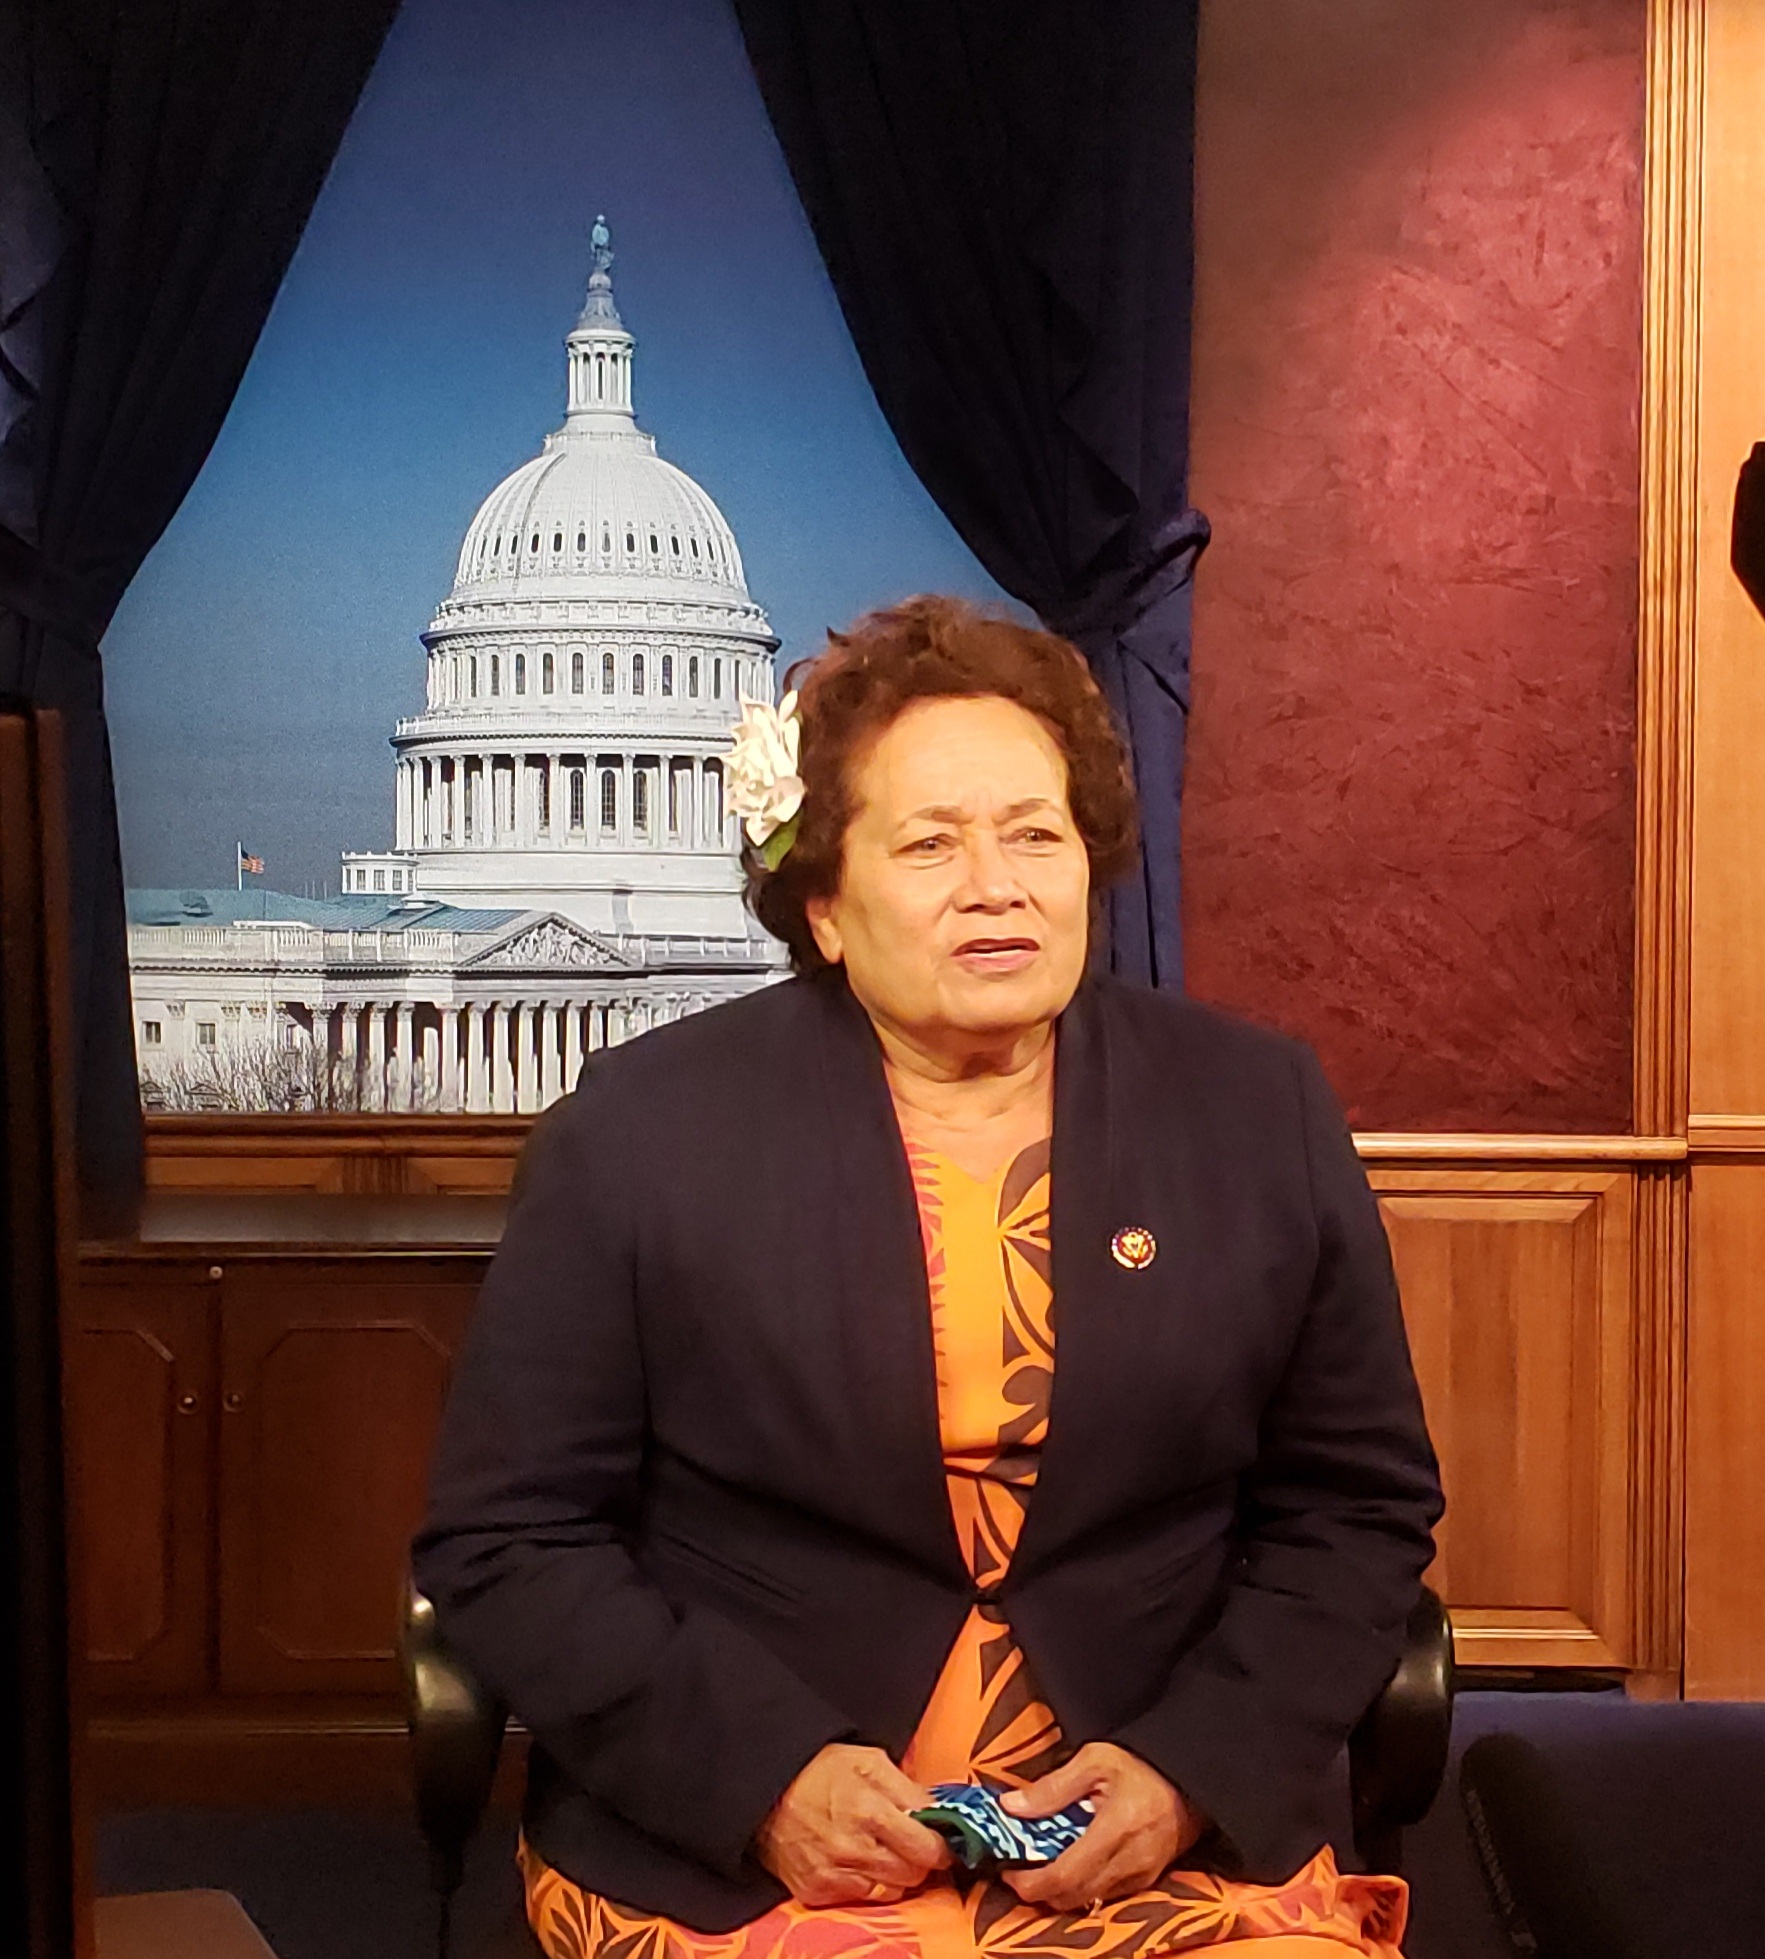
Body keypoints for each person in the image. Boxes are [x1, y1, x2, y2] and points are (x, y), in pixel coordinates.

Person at [413, 596, 1444, 1959]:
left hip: (1157, 1836)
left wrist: (1188, 1770)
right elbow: (512, 1539)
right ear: (826, 907)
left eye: (1034, 834)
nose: (996, 884)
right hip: (753, 1841)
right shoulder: (642, 1132)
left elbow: (1353, 1510)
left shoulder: (1256, 1112)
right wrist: (766, 1780)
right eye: (930, 845)